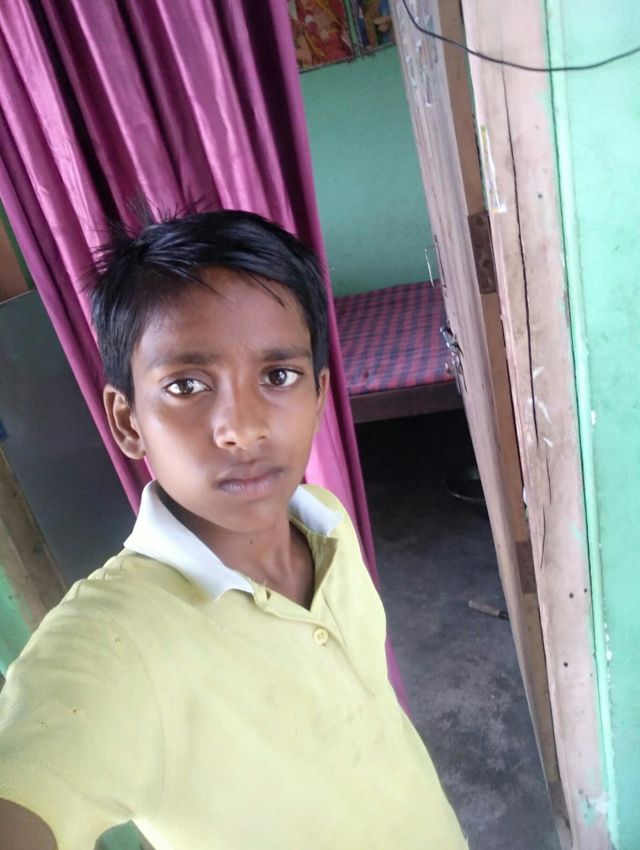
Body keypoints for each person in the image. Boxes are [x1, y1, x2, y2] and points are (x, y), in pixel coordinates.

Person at [0, 210, 468, 849]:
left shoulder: (325, 519)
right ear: (129, 421)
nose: (243, 429)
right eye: (187, 385)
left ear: (318, 395)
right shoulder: (113, 643)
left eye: (278, 377)